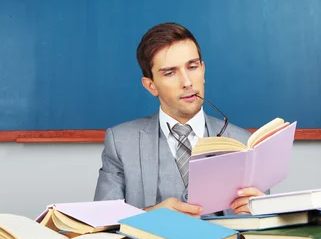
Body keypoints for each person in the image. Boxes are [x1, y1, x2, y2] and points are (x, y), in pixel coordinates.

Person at [94, 22, 264, 216]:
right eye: (170, 73)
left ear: (203, 70)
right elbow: (102, 224)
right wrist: (150, 217)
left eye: (192, 67)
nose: (187, 82)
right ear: (151, 86)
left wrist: (261, 213)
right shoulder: (120, 142)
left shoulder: (245, 143)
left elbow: (261, 234)